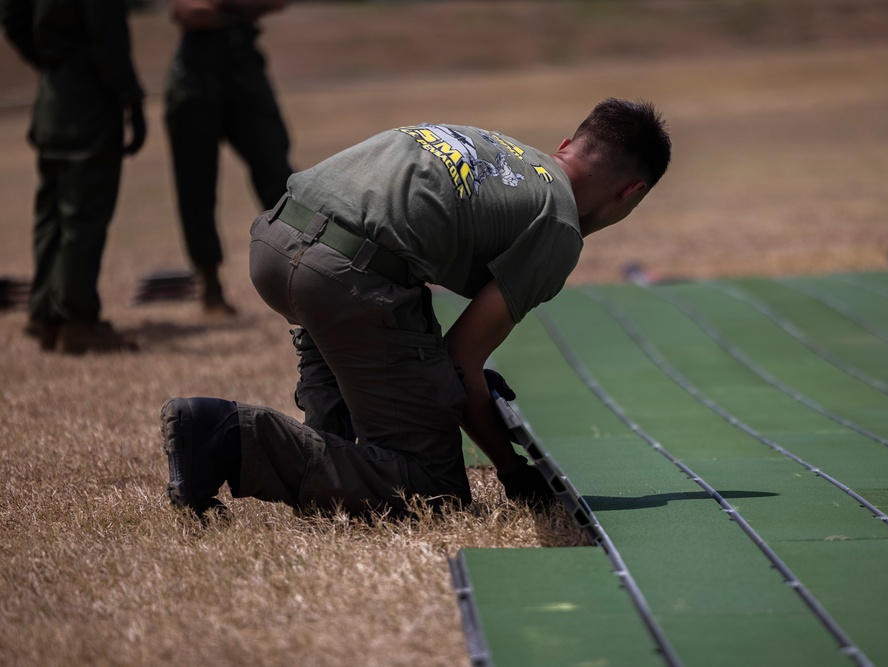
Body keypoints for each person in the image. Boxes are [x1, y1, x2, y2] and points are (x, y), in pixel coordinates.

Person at [160, 98, 672, 520]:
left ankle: (322, 468)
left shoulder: (503, 150)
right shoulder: (559, 223)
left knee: (382, 338)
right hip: (345, 276)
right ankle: (224, 433)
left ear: (566, 146)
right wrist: (512, 470)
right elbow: (460, 361)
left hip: (275, 239)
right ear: (632, 192)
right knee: (432, 493)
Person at [1, 0, 146, 353]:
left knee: (51, 210)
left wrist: (52, 59)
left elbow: (11, 14)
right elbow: (106, 33)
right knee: (84, 211)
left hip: (52, 96)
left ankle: (45, 313)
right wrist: (130, 95)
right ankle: (77, 321)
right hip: (90, 99)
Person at [164, 0, 293, 316]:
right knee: (196, 187)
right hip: (194, 77)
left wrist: (220, 8)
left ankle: (301, 269)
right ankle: (210, 284)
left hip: (244, 69)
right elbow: (189, 12)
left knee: (278, 175)